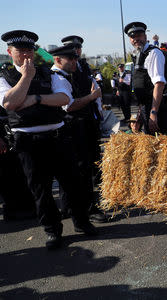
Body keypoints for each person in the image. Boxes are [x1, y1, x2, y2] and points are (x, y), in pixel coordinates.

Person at [0, 30, 98, 249]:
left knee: (73, 183)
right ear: (10, 52)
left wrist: (35, 98)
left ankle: (82, 222)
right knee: (41, 190)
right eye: (20, 51)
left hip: (57, 136)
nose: (26, 55)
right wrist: (26, 77)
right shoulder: (4, 77)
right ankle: (53, 230)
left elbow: (64, 98)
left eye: (29, 50)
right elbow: (10, 103)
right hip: (28, 141)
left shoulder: (49, 74)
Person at [55, 36, 108, 223]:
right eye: (72, 52)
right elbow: (69, 105)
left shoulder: (81, 68)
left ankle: (72, 206)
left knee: (86, 167)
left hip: (86, 123)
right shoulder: (58, 75)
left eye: (78, 50)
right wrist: (93, 97)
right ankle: (84, 208)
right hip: (71, 126)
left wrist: (97, 108)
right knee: (79, 169)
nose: (76, 55)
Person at [124, 21, 167, 135]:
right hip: (146, 106)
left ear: (145, 36)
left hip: (156, 106)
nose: (136, 39)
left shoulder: (153, 53)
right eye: (132, 37)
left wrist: (153, 113)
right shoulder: (139, 55)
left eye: (139, 35)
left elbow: (159, 84)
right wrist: (141, 111)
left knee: (157, 144)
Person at [0, 103, 36, 221]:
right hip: (3, 131)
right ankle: (12, 211)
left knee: (20, 171)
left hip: (14, 126)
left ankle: (26, 208)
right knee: (8, 173)